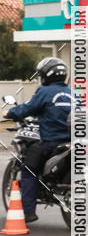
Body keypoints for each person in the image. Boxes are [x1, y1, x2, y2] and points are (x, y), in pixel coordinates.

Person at [2, 57, 72, 223]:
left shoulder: (44, 92)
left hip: (51, 142)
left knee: (29, 170)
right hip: (70, 141)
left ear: (46, 75)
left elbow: (28, 108)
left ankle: (28, 212)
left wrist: (10, 113)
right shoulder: (72, 93)